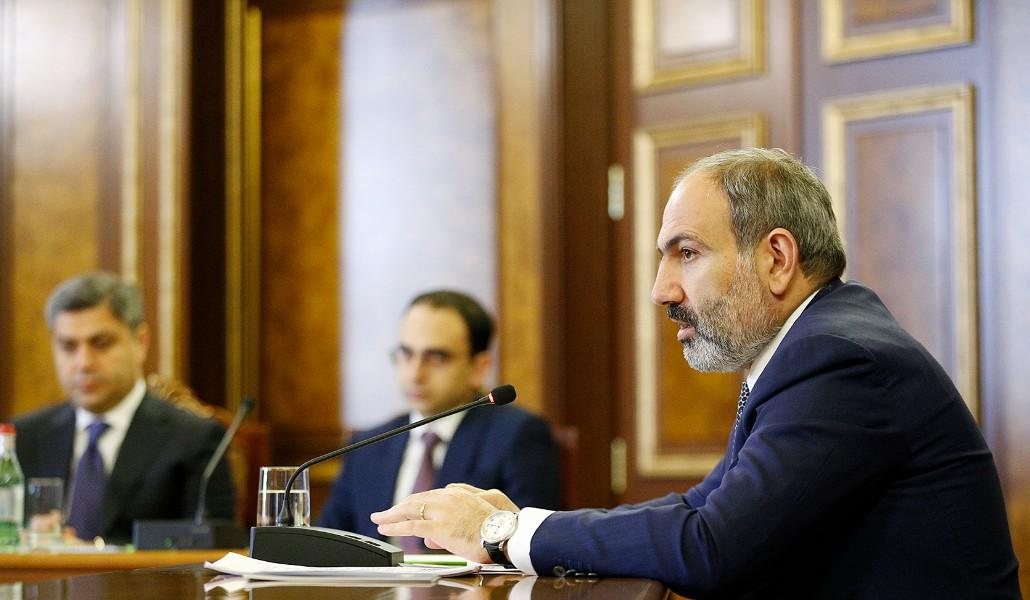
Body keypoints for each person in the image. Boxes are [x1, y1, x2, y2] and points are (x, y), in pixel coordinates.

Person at [371, 149, 1021, 597]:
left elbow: (714, 547)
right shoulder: (816, 343)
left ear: (776, 259)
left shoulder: (838, 359)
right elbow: (701, 507)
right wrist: (522, 524)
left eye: (686, 253)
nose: (662, 290)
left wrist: (503, 532)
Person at [318, 290, 562, 550]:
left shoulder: (517, 435)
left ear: (479, 367)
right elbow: (327, 544)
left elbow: (533, 545)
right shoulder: (368, 444)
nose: (415, 374)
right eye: (406, 353)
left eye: (435, 358)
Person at [14, 272, 235, 544]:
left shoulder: (195, 440)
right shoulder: (21, 437)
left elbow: (211, 546)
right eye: (68, 346)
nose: (83, 363)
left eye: (100, 343)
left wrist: (92, 553)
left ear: (140, 342)